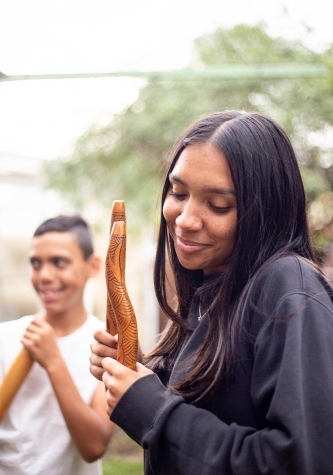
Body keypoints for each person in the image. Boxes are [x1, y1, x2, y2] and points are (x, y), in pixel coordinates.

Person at [90, 111, 333, 475]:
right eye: (178, 192)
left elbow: (302, 461)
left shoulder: (288, 290)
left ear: (264, 210)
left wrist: (155, 413)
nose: (186, 218)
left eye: (218, 205)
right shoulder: (213, 284)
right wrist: (141, 376)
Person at [0, 215, 114, 475]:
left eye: (59, 262)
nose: (44, 276)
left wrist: (53, 361)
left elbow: (94, 446)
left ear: (93, 266)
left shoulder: (105, 345)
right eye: (35, 264)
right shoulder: (5, 337)